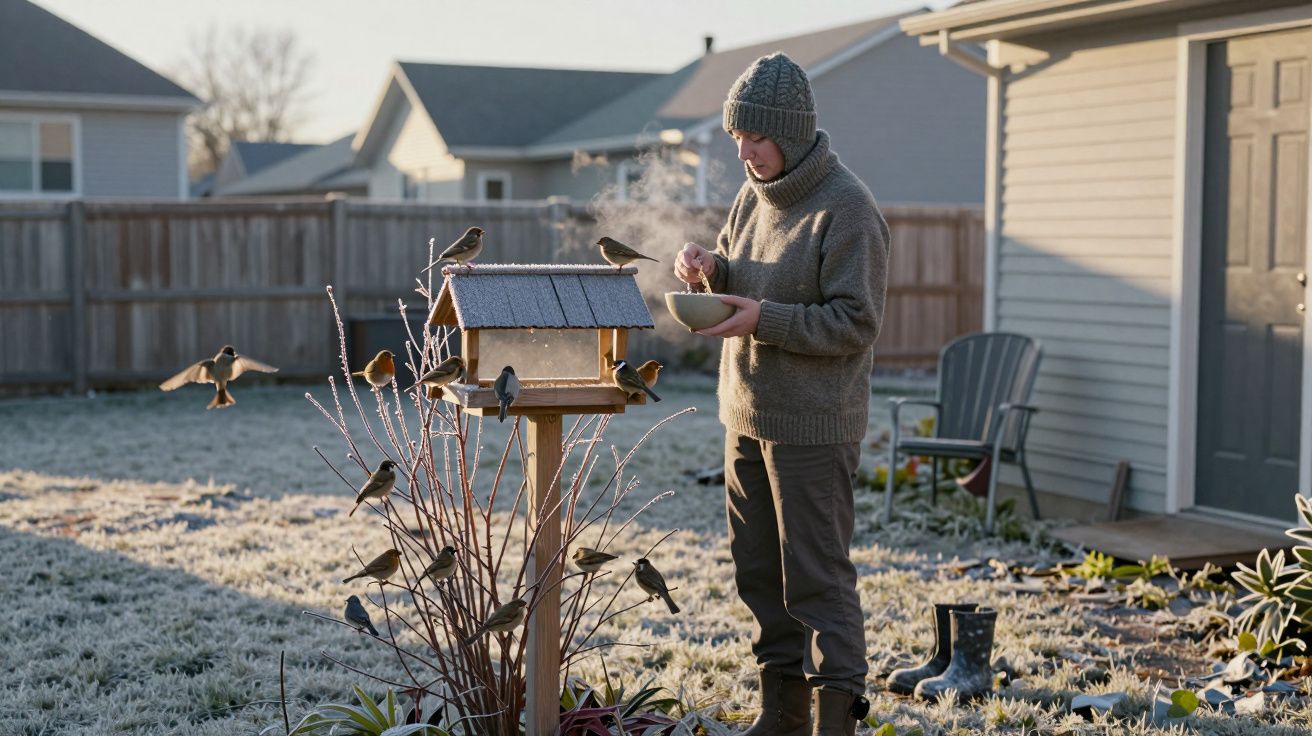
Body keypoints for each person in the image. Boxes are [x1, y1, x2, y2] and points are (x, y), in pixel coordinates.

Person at [674, 52, 889, 736]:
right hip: (745, 414)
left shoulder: (848, 209)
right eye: (738, 136)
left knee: (817, 585)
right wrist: (712, 268)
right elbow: (750, 277)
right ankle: (782, 718)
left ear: (791, 136)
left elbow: (855, 322)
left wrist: (763, 318)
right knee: (761, 578)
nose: (743, 151)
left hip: (813, 426)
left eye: (756, 138)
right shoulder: (751, 195)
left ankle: (834, 725)